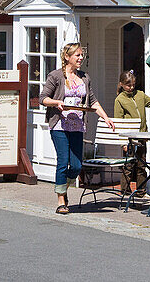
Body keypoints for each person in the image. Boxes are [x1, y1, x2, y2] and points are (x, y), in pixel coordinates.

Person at [39, 42, 116, 215]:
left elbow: (93, 101)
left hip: (78, 126)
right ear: (67, 57)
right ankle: (61, 201)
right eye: (78, 55)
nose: (81, 58)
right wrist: (56, 102)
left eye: (82, 55)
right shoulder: (56, 76)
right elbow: (42, 98)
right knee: (62, 160)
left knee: (75, 166)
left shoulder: (84, 77)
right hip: (59, 125)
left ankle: (62, 187)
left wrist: (106, 117)